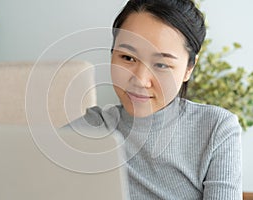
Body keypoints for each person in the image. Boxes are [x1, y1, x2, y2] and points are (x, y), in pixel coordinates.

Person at [69, 0, 242, 199]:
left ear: (188, 69)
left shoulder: (216, 128)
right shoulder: (92, 128)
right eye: (127, 58)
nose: (140, 80)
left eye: (161, 65)